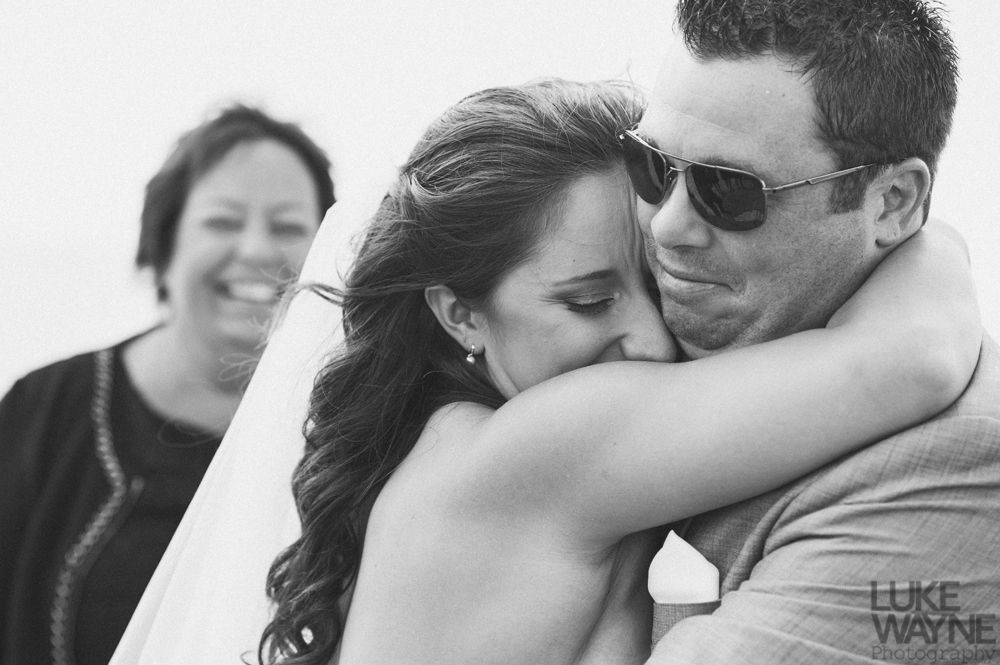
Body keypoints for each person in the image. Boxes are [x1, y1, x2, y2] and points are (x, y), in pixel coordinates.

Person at [254, 79, 980, 665]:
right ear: (461, 314)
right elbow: (911, 357)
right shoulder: (539, 449)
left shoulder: (444, 454)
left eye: (658, 281)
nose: (651, 342)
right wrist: (925, 231)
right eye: (590, 300)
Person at [625, 1, 1000, 662]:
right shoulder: (599, 308)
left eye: (727, 189)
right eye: (650, 165)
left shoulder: (957, 465)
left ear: (892, 202)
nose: (665, 225)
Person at [0, 105, 334, 665]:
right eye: (223, 221)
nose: (256, 250)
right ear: (164, 244)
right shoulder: (46, 409)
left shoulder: (354, 428)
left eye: (287, 226)